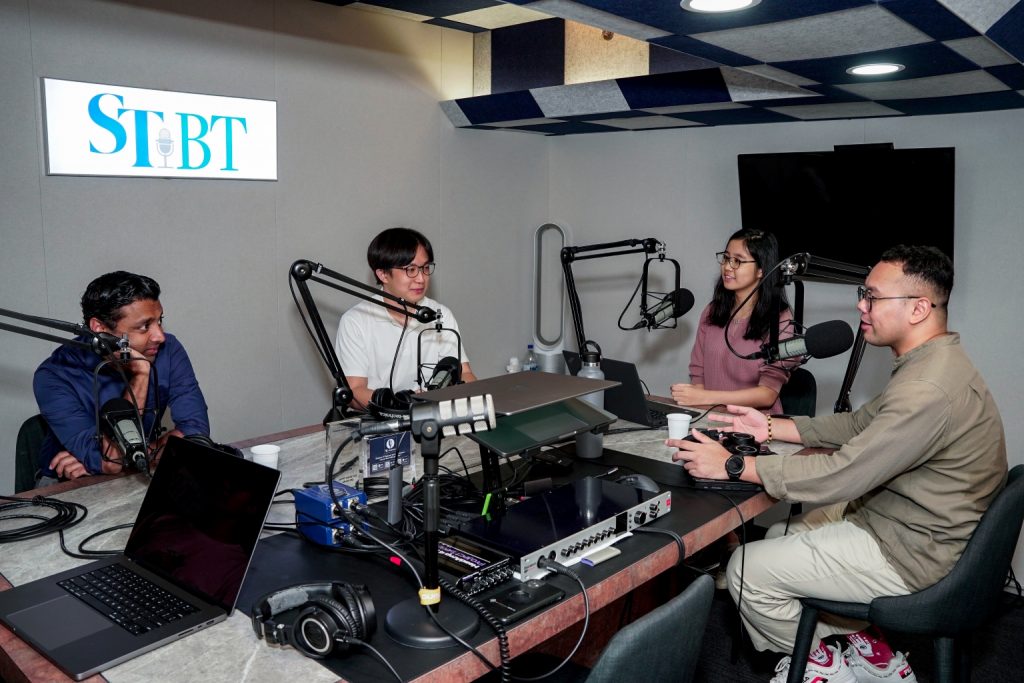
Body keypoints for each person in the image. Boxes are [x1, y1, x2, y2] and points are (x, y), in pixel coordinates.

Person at [669, 245, 1007, 682]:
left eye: (872, 297)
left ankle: (820, 664)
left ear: (919, 308)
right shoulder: (935, 363)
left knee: (745, 571)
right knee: (779, 531)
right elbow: (860, 424)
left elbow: (844, 473)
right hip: (916, 528)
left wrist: (734, 466)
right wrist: (772, 429)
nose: (860, 306)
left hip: (912, 554)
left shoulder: (927, 388)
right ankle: (866, 648)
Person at [33, 271, 210, 483]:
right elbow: (112, 461)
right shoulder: (53, 376)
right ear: (100, 329)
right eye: (144, 326)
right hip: (68, 482)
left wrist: (135, 457)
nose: (159, 336)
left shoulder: (168, 349)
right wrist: (141, 374)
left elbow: (196, 432)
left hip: (134, 471)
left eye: (159, 321)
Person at [335, 227, 476, 411]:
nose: (421, 278)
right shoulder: (355, 321)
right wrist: (402, 404)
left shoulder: (440, 314)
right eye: (410, 269)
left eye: (425, 268)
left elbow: (466, 374)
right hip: (377, 422)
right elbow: (354, 391)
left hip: (433, 414)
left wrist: (446, 394)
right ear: (383, 274)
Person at [671, 228, 794, 413]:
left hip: (756, 430)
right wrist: (693, 397)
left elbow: (767, 394)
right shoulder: (712, 311)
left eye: (737, 261)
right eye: (726, 258)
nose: (727, 266)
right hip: (711, 420)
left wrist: (706, 398)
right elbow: (698, 373)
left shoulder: (780, 319)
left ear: (761, 270)